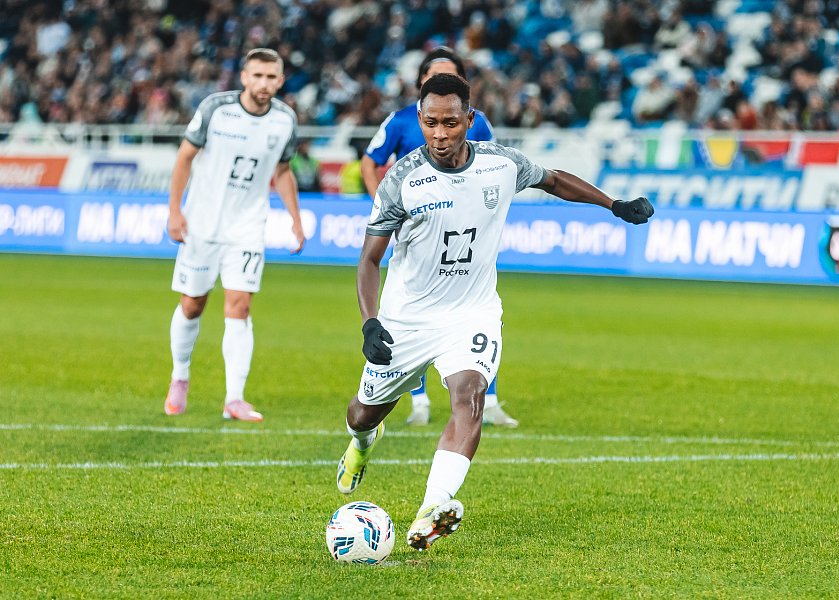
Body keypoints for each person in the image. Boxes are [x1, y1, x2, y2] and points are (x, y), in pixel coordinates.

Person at [336, 74, 653, 551]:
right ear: (419, 120)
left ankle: (430, 511)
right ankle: (362, 445)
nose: (440, 134)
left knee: (470, 395)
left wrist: (613, 204)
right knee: (363, 414)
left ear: (469, 119)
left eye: (450, 123)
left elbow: (553, 180)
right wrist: (370, 322)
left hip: (473, 312)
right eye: (430, 123)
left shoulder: (500, 164)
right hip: (408, 319)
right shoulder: (402, 181)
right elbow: (369, 259)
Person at [360, 46, 518, 428]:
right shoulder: (400, 120)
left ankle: (488, 399)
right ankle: (417, 400)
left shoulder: (479, 123)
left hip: (464, 230)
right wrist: (384, 209)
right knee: (415, 306)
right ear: (421, 85)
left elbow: (499, 163)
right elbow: (370, 161)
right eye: (432, 77)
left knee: (477, 310)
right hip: (420, 226)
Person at [163, 48, 305, 422]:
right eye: (257, 75)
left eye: (271, 77)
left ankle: (234, 398)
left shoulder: (285, 120)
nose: (263, 83)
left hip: (247, 226)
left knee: (239, 306)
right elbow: (184, 158)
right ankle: (180, 375)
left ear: (280, 80)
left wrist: (295, 218)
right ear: (244, 77)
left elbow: (283, 170)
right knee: (193, 303)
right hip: (202, 223)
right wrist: (175, 210)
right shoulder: (216, 109)